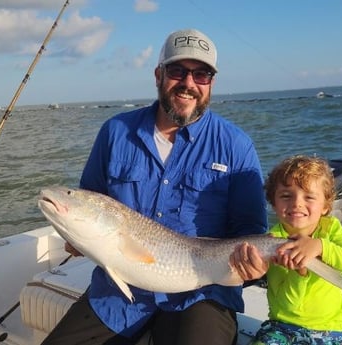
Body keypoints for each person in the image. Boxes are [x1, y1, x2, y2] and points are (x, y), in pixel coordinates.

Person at [40, 28, 268, 345]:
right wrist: (75, 238)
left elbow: (250, 231)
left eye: (201, 75)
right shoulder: (115, 132)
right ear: (158, 74)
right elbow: (91, 203)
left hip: (202, 295)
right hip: (117, 296)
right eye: (178, 71)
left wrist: (253, 265)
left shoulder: (237, 146)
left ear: (211, 84)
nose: (189, 84)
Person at [249, 155, 342, 345]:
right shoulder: (271, 242)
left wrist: (322, 247)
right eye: (286, 196)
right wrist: (300, 274)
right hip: (281, 327)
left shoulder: (331, 230)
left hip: (331, 330)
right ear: (273, 203)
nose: (297, 203)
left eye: (309, 197)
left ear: (325, 206)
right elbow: (289, 308)